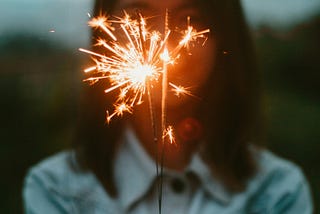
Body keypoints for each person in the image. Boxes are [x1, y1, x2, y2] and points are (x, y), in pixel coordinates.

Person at [23, 0, 313, 213]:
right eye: (138, 15)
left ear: (224, 36)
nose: (165, 43)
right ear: (105, 32)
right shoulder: (56, 190)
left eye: (191, 17)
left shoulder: (278, 192)